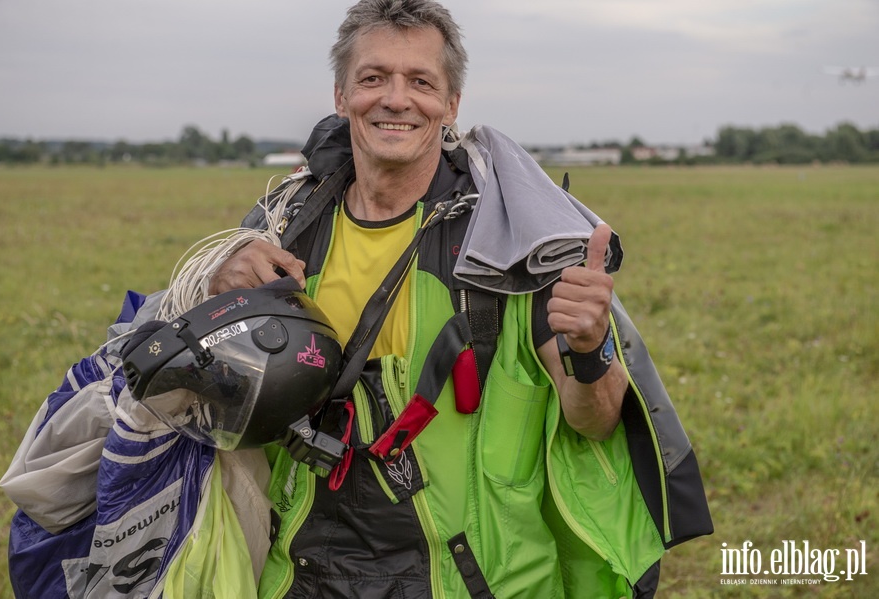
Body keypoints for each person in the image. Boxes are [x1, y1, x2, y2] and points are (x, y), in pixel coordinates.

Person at [207, 1, 712, 597]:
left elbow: (595, 421)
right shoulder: (284, 226)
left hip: (481, 581)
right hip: (302, 576)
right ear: (341, 97)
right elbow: (219, 410)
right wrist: (221, 295)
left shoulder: (512, 240)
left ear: (451, 105)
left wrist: (592, 345)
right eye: (373, 79)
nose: (396, 99)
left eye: (421, 81)